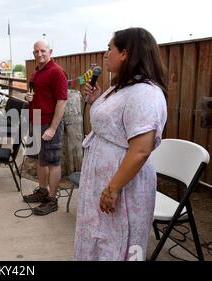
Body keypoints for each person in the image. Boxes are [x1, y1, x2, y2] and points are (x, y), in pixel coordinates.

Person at [74, 27, 168, 261]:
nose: (105, 54)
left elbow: (141, 150)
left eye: (110, 49)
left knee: (118, 244)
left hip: (123, 186)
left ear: (125, 53)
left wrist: (113, 188)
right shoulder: (121, 87)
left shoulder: (146, 94)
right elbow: (111, 126)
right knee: (101, 238)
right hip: (104, 180)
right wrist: (96, 100)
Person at [22, 40, 68, 216]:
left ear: (50, 51)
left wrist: (53, 128)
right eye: (36, 51)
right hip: (38, 121)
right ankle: (42, 190)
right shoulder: (36, 72)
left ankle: (52, 199)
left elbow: (62, 101)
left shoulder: (56, 72)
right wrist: (28, 97)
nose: (39, 54)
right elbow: (36, 95)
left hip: (50, 123)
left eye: (42, 51)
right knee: (42, 159)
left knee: (53, 162)